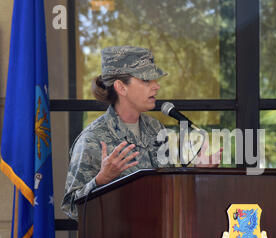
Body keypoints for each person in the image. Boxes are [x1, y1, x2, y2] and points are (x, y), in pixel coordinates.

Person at [61, 46, 217, 220]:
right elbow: (72, 208)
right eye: (146, 80)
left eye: (155, 80)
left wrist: (197, 173)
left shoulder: (157, 129)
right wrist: (100, 180)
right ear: (121, 87)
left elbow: (170, 188)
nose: (156, 86)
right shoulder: (93, 138)